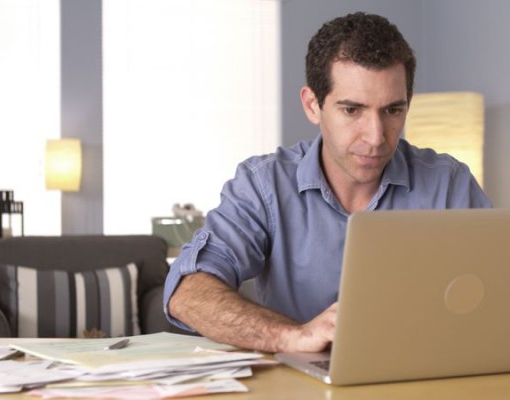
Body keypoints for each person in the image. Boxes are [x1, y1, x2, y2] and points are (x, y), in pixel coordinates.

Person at [164, 12, 491, 353]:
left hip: (426, 370)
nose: (376, 137)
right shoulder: (263, 185)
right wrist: (292, 336)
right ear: (312, 105)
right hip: (300, 377)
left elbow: (502, 291)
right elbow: (187, 292)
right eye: (352, 110)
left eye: (392, 111)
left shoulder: (448, 184)